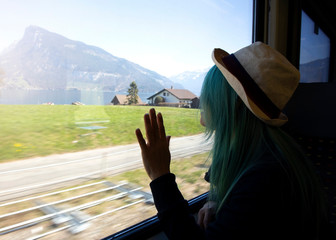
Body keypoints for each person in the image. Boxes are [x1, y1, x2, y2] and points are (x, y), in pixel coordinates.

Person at [135, 42, 330, 239]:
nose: (203, 121)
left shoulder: (266, 176)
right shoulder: (266, 153)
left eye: (211, 103)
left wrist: (160, 177)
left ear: (234, 107)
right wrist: (220, 202)